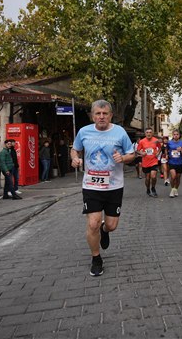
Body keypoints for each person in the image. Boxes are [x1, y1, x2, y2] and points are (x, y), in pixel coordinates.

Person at [71, 100, 135, 277]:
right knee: (93, 223)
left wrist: (123, 158)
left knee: (111, 225)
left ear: (110, 115)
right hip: (91, 185)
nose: (101, 117)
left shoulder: (119, 132)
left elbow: (131, 154)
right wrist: (74, 158)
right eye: (98, 113)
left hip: (114, 186)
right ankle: (96, 258)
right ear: (92, 115)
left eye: (105, 113)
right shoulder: (84, 131)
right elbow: (75, 149)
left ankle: (104, 230)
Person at [137, 127, 161, 197]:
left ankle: (153, 188)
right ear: (145, 133)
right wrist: (141, 153)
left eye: (150, 132)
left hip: (154, 161)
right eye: (147, 132)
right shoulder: (142, 141)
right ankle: (148, 189)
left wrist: (158, 153)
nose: (149, 134)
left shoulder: (156, 140)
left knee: (153, 176)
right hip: (145, 162)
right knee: (147, 178)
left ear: (152, 133)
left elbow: (160, 147)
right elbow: (137, 150)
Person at [167, 129, 182, 198]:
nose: (176, 136)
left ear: (179, 135)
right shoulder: (169, 142)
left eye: (177, 134)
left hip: (179, 162)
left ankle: (176, 189)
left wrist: (181, 149)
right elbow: (166, 149)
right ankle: (172, 189)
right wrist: (166, 155)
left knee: (178, 178)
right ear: (172, 135)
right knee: (173, 176)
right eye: (174, 134)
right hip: (171, 162)